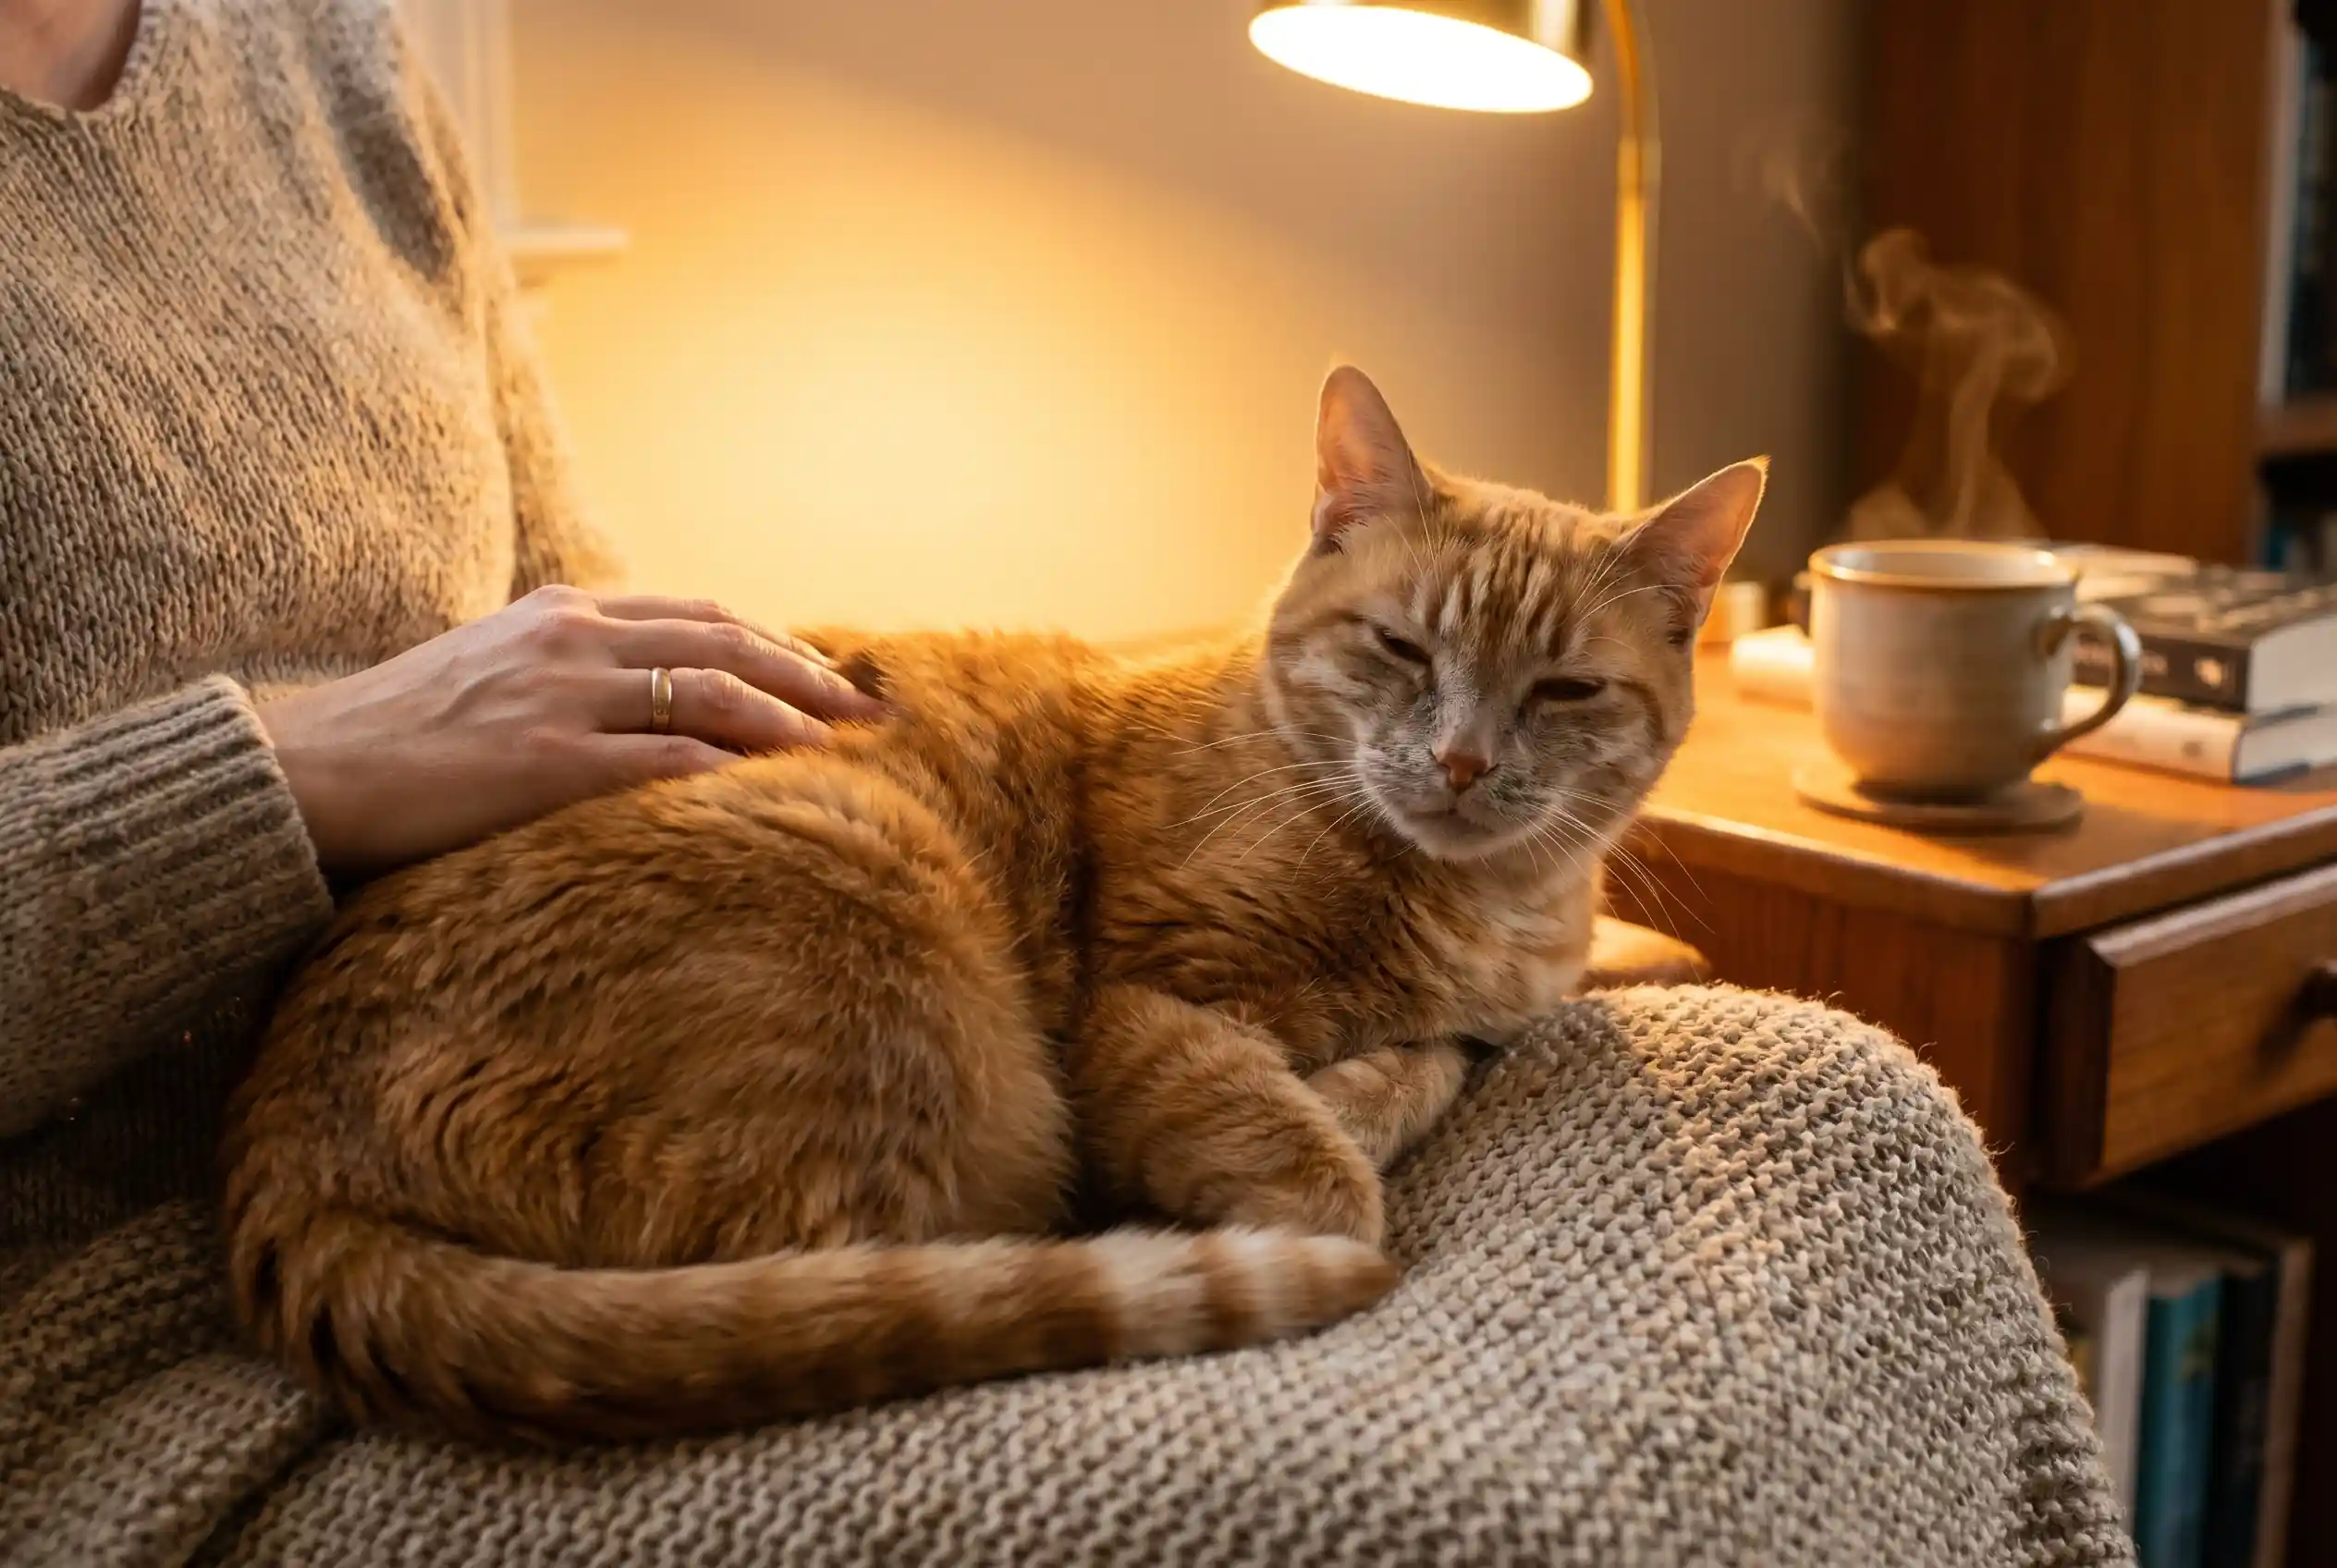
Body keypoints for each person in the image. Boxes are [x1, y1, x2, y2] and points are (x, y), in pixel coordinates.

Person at [0, 1, 878, 1556]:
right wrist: (293, 768)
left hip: (556, 1155)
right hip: (146, 1339)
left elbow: (568, 625)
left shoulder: (325, 46)